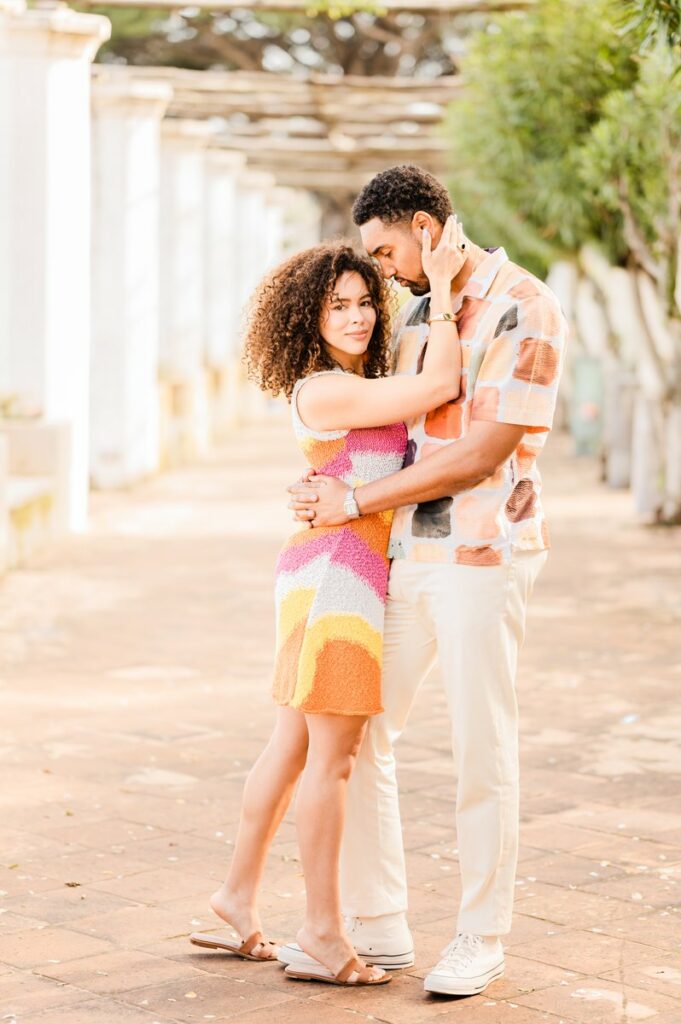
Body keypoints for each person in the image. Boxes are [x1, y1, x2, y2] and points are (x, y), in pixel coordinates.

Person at [285, 164, 567, 997]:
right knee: (361, 732)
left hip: (485, 556)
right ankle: (382, 920)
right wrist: (319, 483)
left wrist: (352, 502)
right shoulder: (412, 313)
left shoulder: (527, 303)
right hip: (406, 557)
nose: (382, 270)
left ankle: (481, 935)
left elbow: (481, 452)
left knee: (483, 747)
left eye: (386, 249)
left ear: (425, 227)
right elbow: (381, 422)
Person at [190, 223, 467, 987]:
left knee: (289, 747)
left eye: (363, 303)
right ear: (307, 318)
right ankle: (320, 931)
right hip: (339, 579)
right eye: (336, 305)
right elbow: (441, 386)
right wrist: (444, 290)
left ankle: (234, 899)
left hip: (322, 566)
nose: (355, 317)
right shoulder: (325, 387)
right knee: (334, 760)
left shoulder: (349, 383)